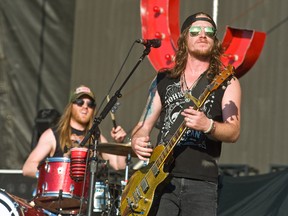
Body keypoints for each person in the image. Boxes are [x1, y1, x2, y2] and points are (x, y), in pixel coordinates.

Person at [131, 12, 241, 215]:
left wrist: (208, 125)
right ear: (184, 38)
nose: (202, 35)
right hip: (160, 180)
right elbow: (143, 127)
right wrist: (136, 139)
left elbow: (234, 131)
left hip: (202, 181)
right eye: (195, 31)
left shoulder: (227, 81)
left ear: (214, 41)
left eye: (209, 32)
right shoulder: (163, 78)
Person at [22, 85, 127, 178]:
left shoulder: (96, 136)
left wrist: (119, 143)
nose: (85, 106)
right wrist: (52, 175)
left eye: (90, 104)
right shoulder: (53, 134)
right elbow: (28, 168)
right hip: (60, 193)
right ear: (71, 106)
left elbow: (119, 167)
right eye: (80, 102)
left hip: (87, 196)